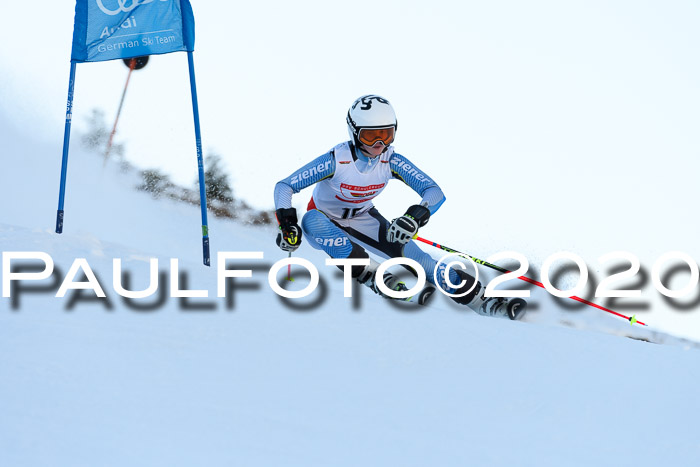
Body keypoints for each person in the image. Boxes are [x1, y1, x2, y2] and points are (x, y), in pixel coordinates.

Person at [273, 95, 526, 320]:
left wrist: (413, 218)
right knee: (311, 220)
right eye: (371, 136)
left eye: (387, 134)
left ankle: (484, 301)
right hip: (324, 222)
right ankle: (373, 276)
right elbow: (284, 187)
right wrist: (287, 224)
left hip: (364, 217)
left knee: (422, 262)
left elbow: (434, 192)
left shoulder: (391, 160)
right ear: (354, 132)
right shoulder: (336, 160)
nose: (379, 144)